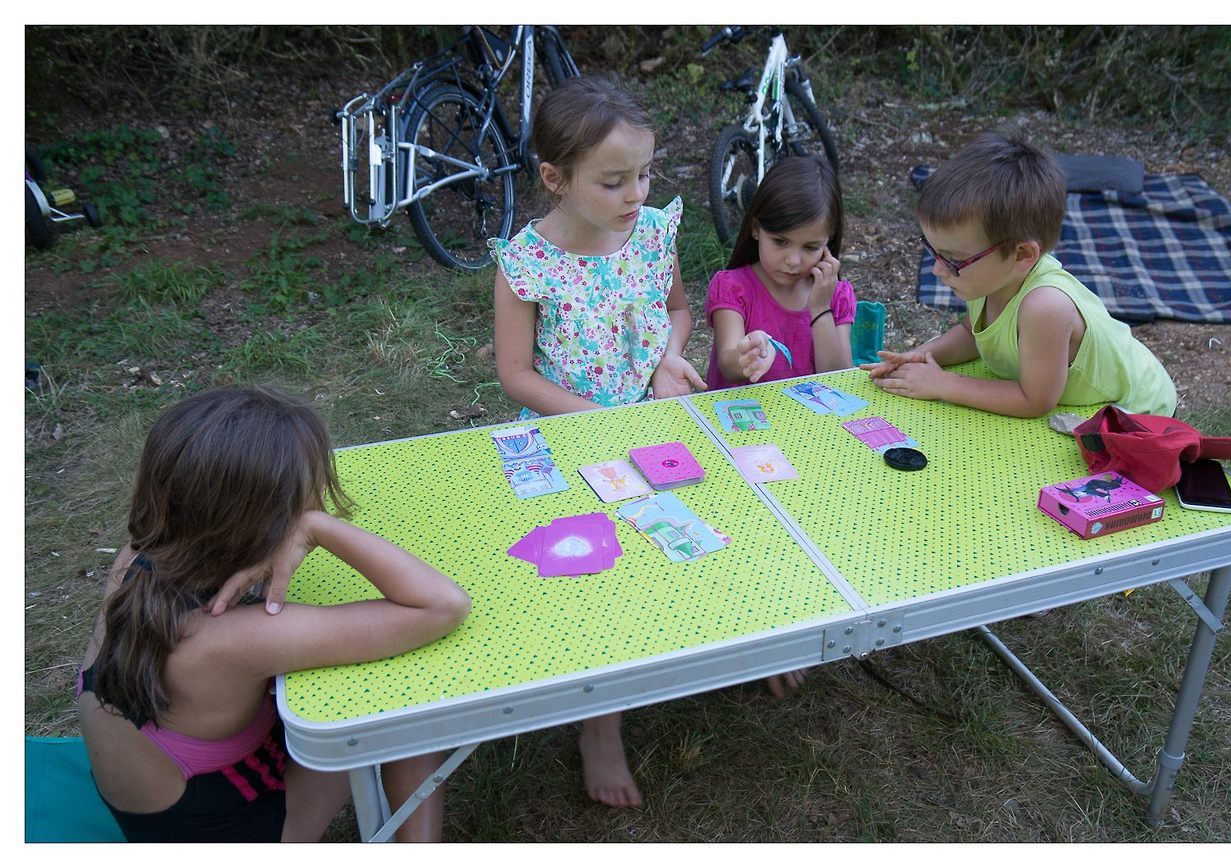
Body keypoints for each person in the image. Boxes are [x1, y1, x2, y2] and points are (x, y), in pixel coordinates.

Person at [76, 386, 472, 842]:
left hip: (164, 803)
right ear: (266, 519)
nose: (321, 494)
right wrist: (316, 527)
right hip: (238, 832)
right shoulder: (235, 637)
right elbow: (442, 605)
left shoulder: (135, 560)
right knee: (402, 701)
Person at [491, 76, 704, 808]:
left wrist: (668, 357)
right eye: (613, 181)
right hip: (567, 436)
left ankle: (740, 644)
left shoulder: (654, 232)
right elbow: (516, 373)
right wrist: (594, 419)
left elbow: (677, 310)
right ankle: (600, 725)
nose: (636, 194)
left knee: (679, 537)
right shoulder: (527, 263)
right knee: (593, 575)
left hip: (649, 423)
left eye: (644, 174)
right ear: (555, 178)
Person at [862, 131, 1177, 418]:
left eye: (953, 259)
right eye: (933, 251)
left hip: (1138, 410)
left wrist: (943, 384)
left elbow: (1034, 401)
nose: (937, 269)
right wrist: (921, 355)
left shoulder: (1045, 307)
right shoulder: (992, 278)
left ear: (1022, 255)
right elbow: (972, 333)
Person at [705, 154, 856, 390]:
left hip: (808, 414)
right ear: (756, 229)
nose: (793, 261)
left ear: (828, 242)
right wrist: (748, 354)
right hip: (739, 413)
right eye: (780, 242)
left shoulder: (836, 295)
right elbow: (728, 364)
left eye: (811, 247)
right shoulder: (733, 287)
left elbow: (839, 379)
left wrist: (820, 308)